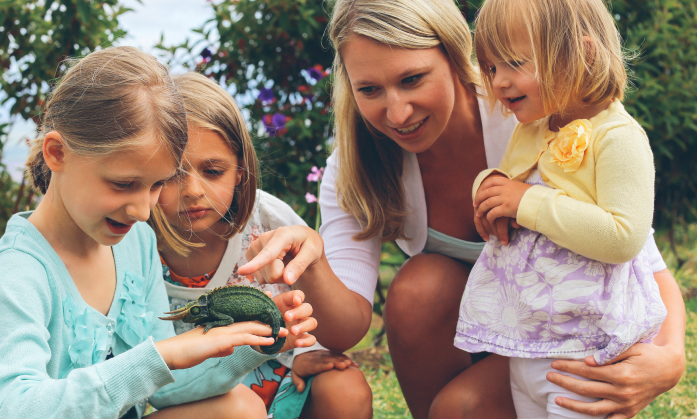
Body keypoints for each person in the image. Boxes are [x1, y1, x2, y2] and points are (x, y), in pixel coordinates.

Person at [236, 0, 686, 418]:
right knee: (421, 293)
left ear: (454, 56)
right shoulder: (357, 165)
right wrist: (310, 260)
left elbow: (635, 246)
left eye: (412, 79)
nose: (396, 112)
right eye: (370, 89)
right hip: (484, 330)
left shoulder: (526, 113)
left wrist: (669, 359)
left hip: (560, 332)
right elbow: (348, 324)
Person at [0, 47, 317, 419]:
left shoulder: (137, 244)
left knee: (240, 408)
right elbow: (12, 408)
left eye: (158, 184)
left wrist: (251, 339)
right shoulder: (18, 271)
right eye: (124, 183)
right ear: (57, 153)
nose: (143, 210)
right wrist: (159, 356)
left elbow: (164, 386)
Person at [453, 0, 667, 417]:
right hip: (529, 339)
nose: (498, 82)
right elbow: (513, 181)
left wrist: (528, 202)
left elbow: (624, 237)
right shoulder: (532, 128)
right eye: (492, 67)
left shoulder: (618, 137)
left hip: (587, 347)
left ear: (582, 54)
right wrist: (490, 189)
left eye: (513, 63)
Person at [150, 72, 373, 419]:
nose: (192, 190)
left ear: (240, 169)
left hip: (283, 385)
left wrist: (304, 349)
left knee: (345, 390)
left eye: (213, 171)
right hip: (202, 403)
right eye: (172, 173)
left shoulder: (268, 219)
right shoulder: (134, 243)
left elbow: (326, 320)